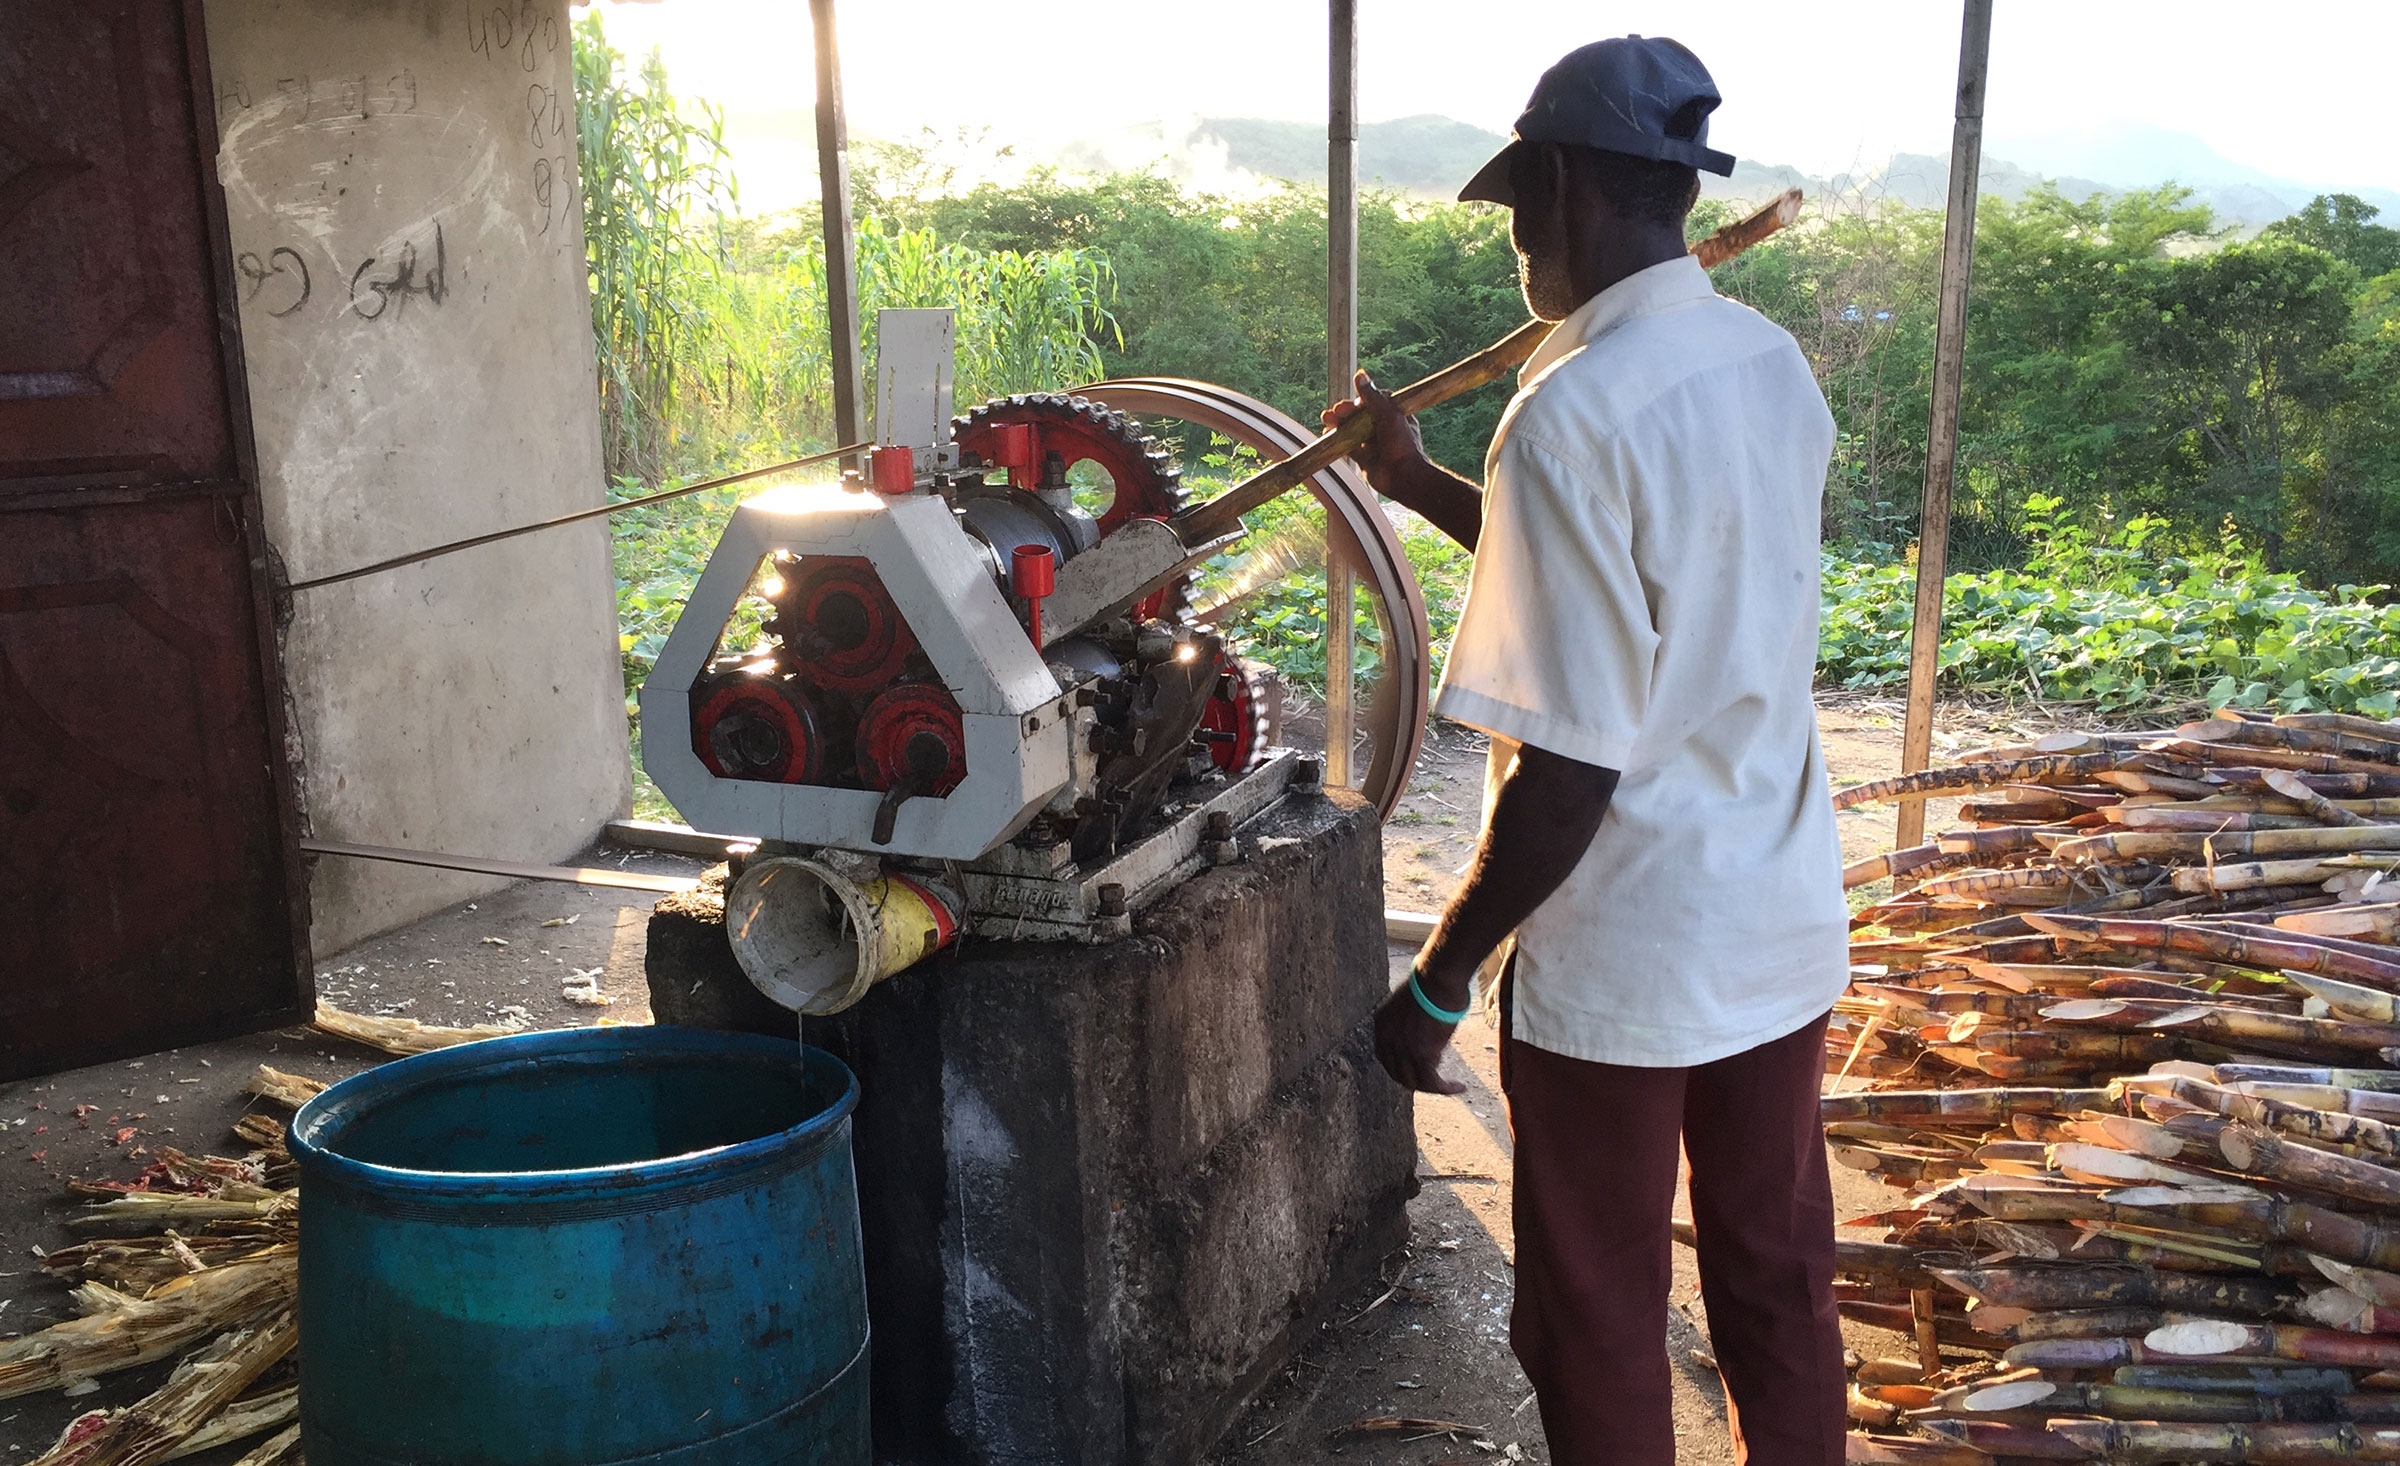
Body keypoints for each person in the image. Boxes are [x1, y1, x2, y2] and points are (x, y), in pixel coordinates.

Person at [1320, 35, 1850, 1466]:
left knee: (1598, 1314)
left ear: (1557, 185)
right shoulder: (1768, 364)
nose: (1513, 249)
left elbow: (1568, 773)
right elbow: (1634, 600)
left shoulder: (1565, 414)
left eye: (1512, 211)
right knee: (1778, 1283)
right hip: (1778, 916)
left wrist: (1437, 978)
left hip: (1628, 959)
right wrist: (1420, 478)